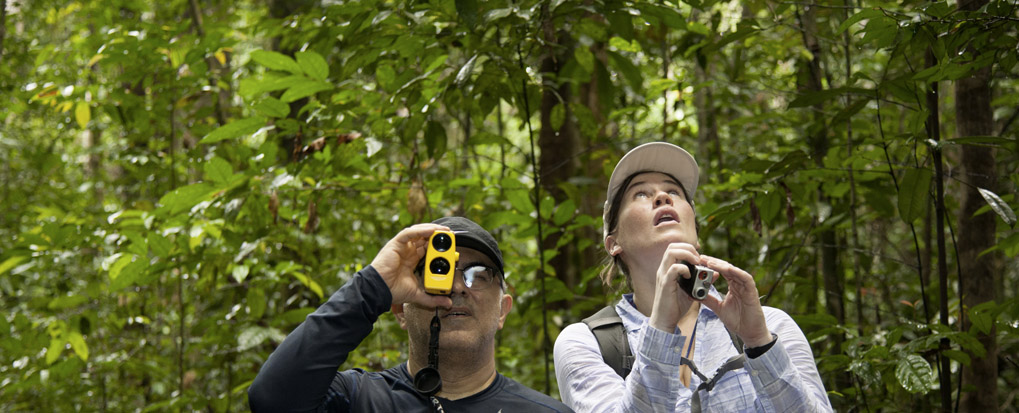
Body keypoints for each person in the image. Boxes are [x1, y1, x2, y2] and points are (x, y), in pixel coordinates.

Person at [553, 142, 832, 412]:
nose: (663, 197)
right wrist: (660, 329)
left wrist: (759, 343)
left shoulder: (772, 325)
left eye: (673, 191)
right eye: (640, 194)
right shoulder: (586, 342)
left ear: (696, 234)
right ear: (614, 243)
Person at [249, 216, 572, 412]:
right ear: (399, 311)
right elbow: (272, 400)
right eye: (439, 273)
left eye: (478, 274)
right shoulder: (355, 400)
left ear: (503, 310)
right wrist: (373, 285)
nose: (457, 287)